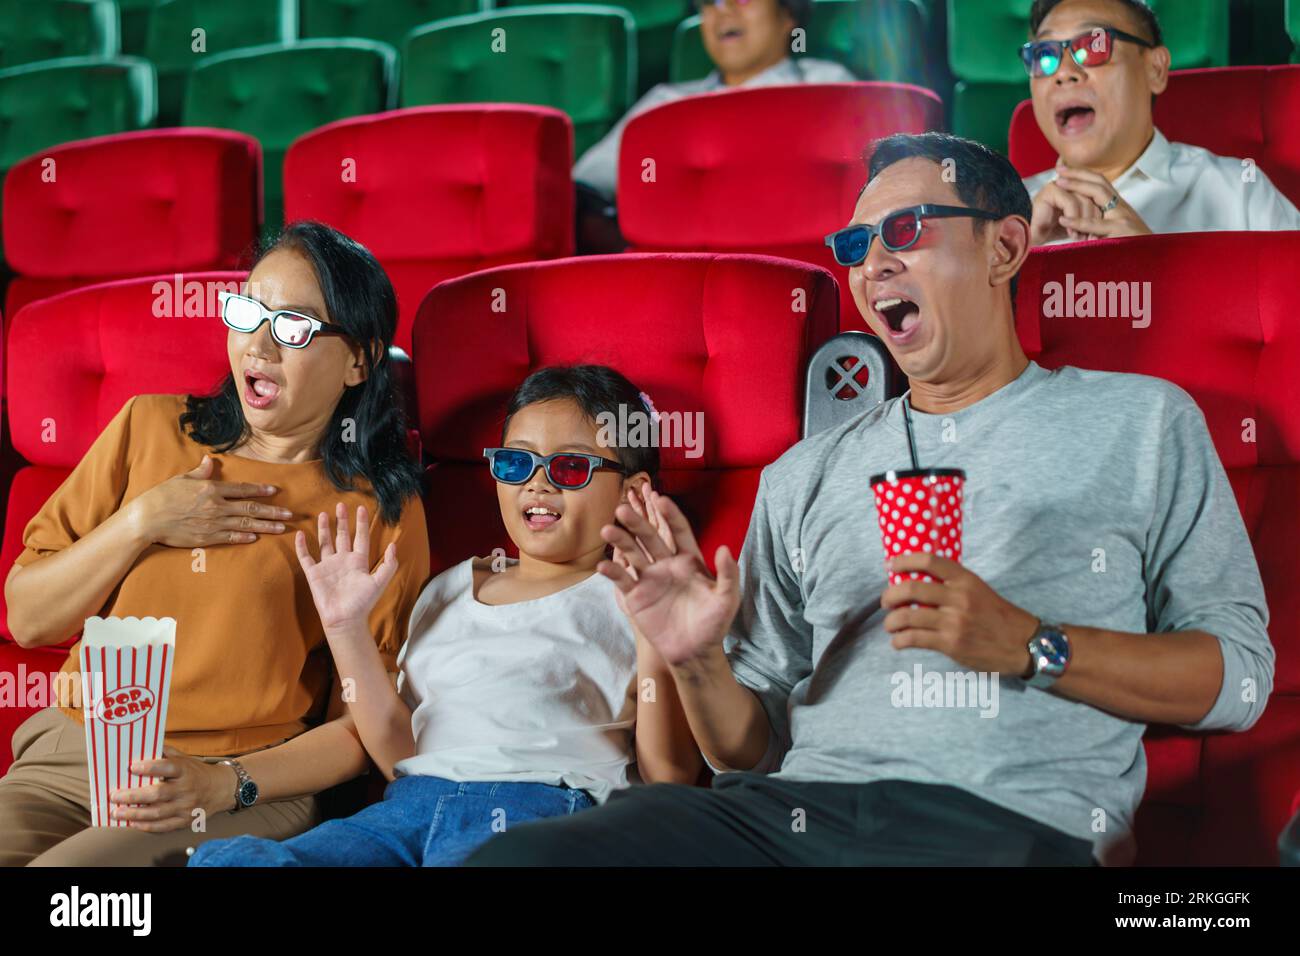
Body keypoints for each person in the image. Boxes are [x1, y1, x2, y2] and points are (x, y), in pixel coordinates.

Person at [466, 132, 1274, 867]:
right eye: (856, 245)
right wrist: (695, 661)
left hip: (1002, 824)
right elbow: (747, 752)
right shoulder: (803, 474)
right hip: (789, 819)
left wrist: (1029, 644)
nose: (872, 264)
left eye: (906, 232)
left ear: (1005, 247)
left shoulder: (1142, 421)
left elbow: (1238, 680)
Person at [0, 221, 430, 866]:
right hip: (73, 752)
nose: (258, 343)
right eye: (248, 310)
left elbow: (363, 730)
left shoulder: (378, 509)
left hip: (238, 782)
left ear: (358, 359)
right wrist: (142, 520)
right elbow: (29, 620)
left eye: (293, 326)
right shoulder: (149, 428)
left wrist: (225, 781)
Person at [189, 366, 703, 866]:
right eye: (516, 464)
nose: (537, 485)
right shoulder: (449, 589)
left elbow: (669, 778)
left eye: (570, 467)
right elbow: (397, 755)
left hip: (543, 809)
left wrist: (654, 641)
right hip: (408, 809)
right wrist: (346, 628)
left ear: (633, 492)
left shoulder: (637, 597)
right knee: (229, 860)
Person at [1021, 0, 1300, 245]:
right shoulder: (1007, 215)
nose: (1064, 73)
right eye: (1045, 55)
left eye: (1093, 45)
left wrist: (1156, 268)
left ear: (1155, 68)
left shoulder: (1238, 191)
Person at [573, 0, 855, 202]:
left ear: (788, 13)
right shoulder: (666, 104)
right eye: (710, 2)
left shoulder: (826, 85)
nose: (724, 10)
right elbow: (588, 187)